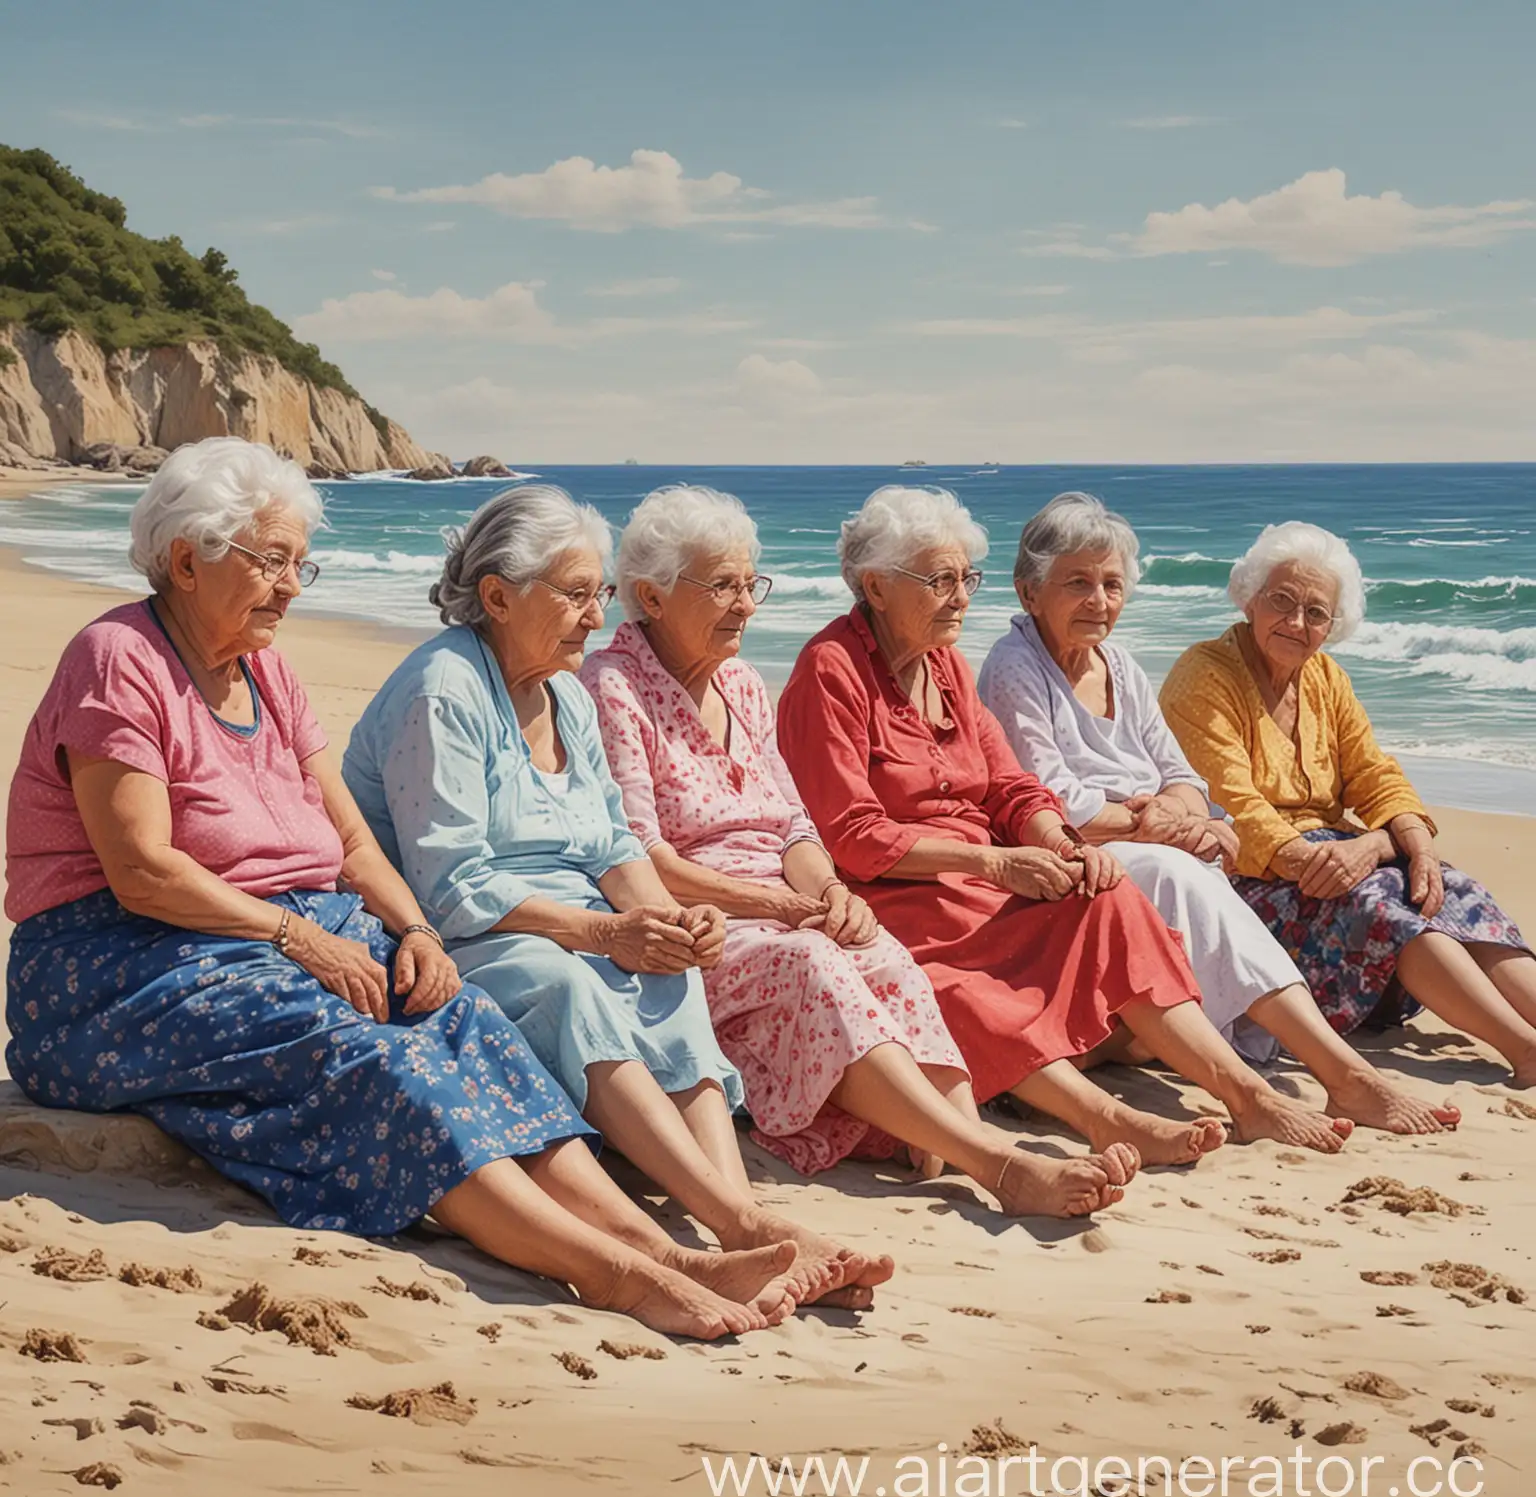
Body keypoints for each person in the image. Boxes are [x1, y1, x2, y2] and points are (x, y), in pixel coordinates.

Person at [3, 439, 796, 1340]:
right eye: (271, 562)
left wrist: (415, 931)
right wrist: (298, 939)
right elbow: (143, 870)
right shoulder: (118, 658)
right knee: (384, 1060)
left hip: (274, 929)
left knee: (468, 1024)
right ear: (186, 558)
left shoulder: (269, 670)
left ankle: (668, 1251)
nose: (293, 585)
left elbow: (346, 836)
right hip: (121, 961)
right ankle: (609, 1271)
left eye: (302, 563)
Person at [343, 484, 888, 1308]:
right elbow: (451, 886)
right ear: (496, 595)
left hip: (570, 913)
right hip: (473, 928)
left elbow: (611, 844)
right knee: (565, 983)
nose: (595, 619)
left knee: (671, 972)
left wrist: (669, 919)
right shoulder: (443, 689)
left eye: (598, 594)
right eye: (573, 595)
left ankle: (742, 1215)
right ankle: (738, 1236)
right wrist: (605, 934)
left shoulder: (563, 692)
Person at [579, 484, 1137, 1219]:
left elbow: (795, 828)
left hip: (786, 901)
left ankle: (959, 1136)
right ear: (649, 597)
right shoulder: (611, 686)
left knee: (879, 952)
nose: (746, 604)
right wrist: (787, 905)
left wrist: (830, 893)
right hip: (702, 918)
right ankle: (996, 1164)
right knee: (814, 959)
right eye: (722, 586)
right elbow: (645, 855)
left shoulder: (744, 684)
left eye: (752, 584)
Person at [778, 485, 1359, 1164]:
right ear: (875, 587)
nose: (962, 595)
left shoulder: (944, 665)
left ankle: (1244, 1094)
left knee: (1110, 895)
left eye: (968, 577)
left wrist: (1056, 841)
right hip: (900, 894)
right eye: (940, 580)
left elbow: (1011, 785)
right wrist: (996, 864)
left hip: (979, 882)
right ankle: (1105, 1118)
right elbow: (852, 835)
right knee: (962, 989)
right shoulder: (830, 671)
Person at [978, 493, 1459, 1136]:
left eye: (1112, 583)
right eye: (1078, 583)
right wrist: (1156, 823)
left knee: (1197, 872)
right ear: (1029, 591)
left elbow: (1182, 775)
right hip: (1072, 854)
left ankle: (1340, 1075)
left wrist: (1185, 817)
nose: (1099, 600)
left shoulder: (1119, 664)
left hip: (1150, 842)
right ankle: (1331, 1080)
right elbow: (1054, 797)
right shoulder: (1015, 666)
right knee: (1180, 875)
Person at [1161, 519, 1536, 1089]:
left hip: (1338, 856)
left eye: (1316, 613)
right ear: (1249, 598)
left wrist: (1409, 844)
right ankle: (1525, 1049)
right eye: (1281, 601)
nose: (1296, 622)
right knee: (1383, 900)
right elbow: (1233, 804)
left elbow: (1372, 771)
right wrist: (1338, 857)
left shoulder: (1326, 677)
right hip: (1248, 878)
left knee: (1448, 887)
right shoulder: (1204, 675)